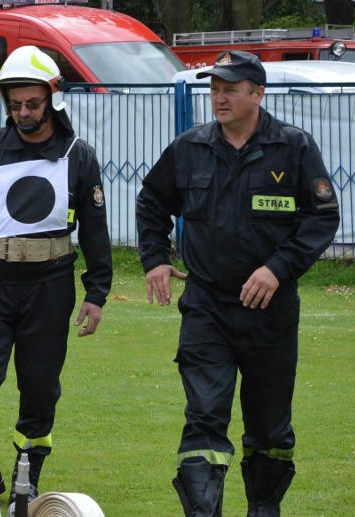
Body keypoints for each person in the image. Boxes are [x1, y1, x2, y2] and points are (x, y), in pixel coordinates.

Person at [135, 51, 340, 516]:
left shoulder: (294, 147)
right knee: (204, 417)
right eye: (214, 89)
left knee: (270, 429)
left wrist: (278, 267)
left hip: (270, 312)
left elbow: (322, 218)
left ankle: (263, 507)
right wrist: (155, 259)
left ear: (258, 93)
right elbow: (151, 201)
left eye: (230, 88)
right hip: (207, 307)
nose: (219, 97)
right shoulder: (189, 147)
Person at [0, 46, 112, 515]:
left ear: (52, 97)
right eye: (15, 104)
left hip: (51, 284)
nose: (23, 113)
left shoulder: (80, 156)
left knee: (39, 386)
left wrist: (96, 293)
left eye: (32, 104)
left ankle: (27, 474)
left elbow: (96, 231)